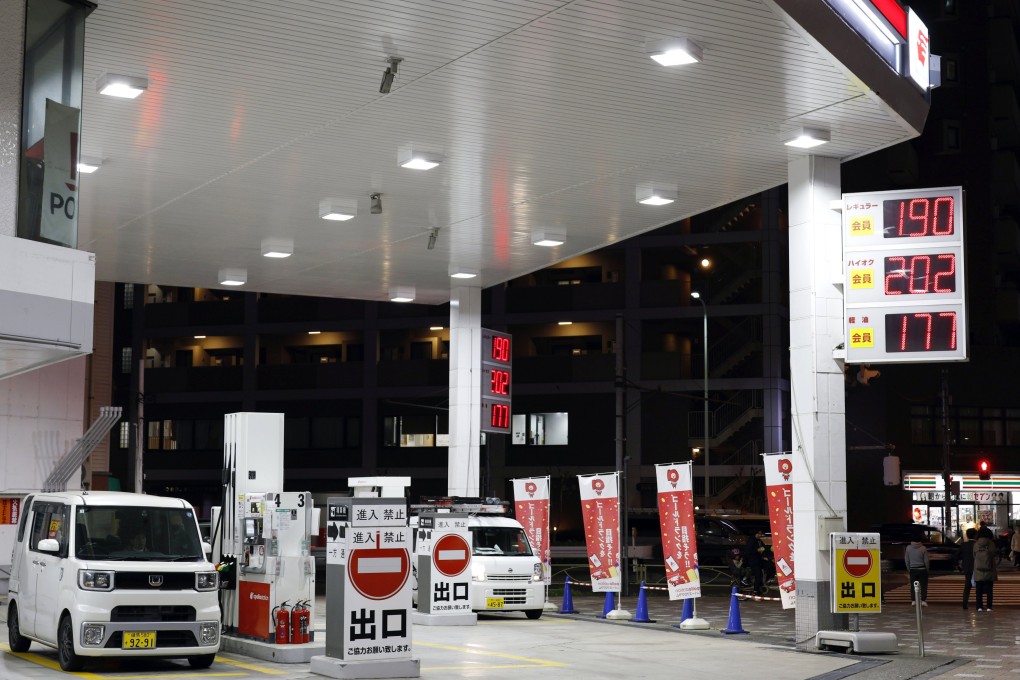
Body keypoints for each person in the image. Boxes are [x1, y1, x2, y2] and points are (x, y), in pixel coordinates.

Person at [973, 529, 998, 611]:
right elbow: (994, 554)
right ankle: (989, 607)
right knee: (989, 590)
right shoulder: (991, 544)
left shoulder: (976, 544)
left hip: (978, 570)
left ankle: (979, 606)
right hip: (989, 569)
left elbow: (974, 555)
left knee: (978, 590)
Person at [904, 531, 929, 606]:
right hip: (922, 569)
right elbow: (926, 561)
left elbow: (906, 560)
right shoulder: (923, 548)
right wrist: (927, 570)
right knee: (923, 585)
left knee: (913, 585)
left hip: (913, 569)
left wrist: (909, 569)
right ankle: (923, 600)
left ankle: (913, 600)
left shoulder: (908, 548)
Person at [958, 527, 977, 609]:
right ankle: (979, 604)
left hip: (967, 567)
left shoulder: (963, 545)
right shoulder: (977, 545)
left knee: (967, 586)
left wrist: (959, 565)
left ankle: (965, 603)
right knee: (978, 586)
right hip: (977, 567)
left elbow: (957, 556)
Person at [744, 529, 766, 594]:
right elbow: (748, 551)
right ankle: (755, 591)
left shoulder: (759, 541)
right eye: (758, 534)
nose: (760, 535)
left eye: (761, 534)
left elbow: (764, 547)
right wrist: (757, 550)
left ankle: (759, 589)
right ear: (755, 534)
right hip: (753, 561)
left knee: (760, 575)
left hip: (758, 561)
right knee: (758, 575)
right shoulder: (752, 541)